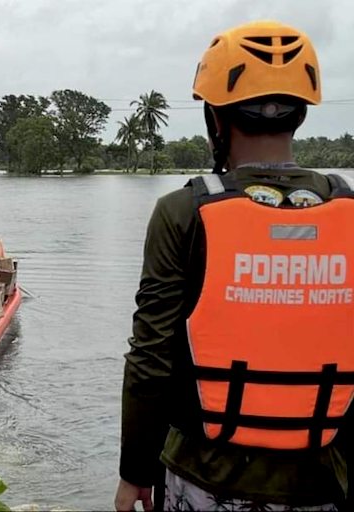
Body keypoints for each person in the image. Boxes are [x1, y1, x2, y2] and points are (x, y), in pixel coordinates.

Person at [115, 20, 354, 511]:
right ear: (301, 113)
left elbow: (150, 361)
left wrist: (134, 473)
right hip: (325, 480)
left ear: (216, 118)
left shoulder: (183, 211)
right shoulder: (349, 212)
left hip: (204, 479)